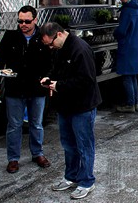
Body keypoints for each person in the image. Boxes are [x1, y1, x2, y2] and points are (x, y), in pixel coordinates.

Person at [39, 22, 101, 200]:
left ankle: (87, 181)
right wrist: (50, 78)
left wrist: (58, 85)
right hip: (65, 105)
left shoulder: (80, 49)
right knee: (68, 144)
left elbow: (86, 81)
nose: (50, 48)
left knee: (84, 146)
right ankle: (71, 177)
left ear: (58, 35)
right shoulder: (60, 48)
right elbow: (58, 71)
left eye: (50, 43)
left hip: (83, 107)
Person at [0, 5, 52, 173]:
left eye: (27, 21)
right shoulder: (10, 37)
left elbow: (51, 62)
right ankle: (13, 159)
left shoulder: (43, 37)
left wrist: (50, 81)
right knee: (14, 125)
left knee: (36, 124)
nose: (23, 24)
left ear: (35, 20)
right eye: (20, 21)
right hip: (14, 89)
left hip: (37, 89)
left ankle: (37, 153)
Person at [113, 0, 138, 113]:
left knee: (126, 76)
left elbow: (121, 31)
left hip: (127, 46)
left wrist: (115, 33)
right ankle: (135, 103)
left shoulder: (127, 11)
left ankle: (130, 104)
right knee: (133, 76)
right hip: (136, 46)